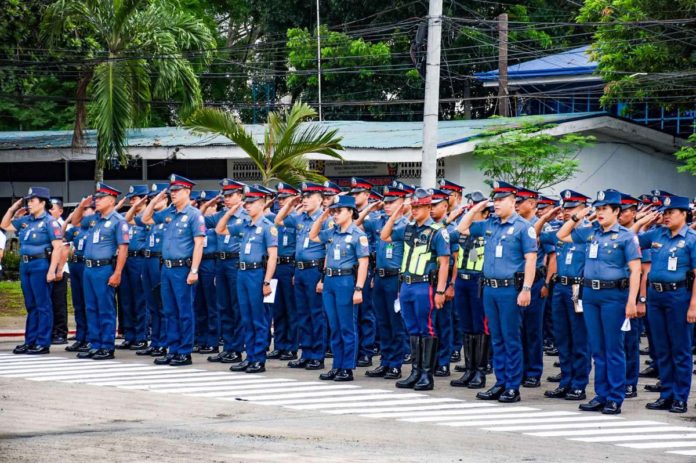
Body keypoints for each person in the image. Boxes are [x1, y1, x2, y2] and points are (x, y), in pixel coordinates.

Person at [556, 189, 642, 415]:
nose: (600, 213)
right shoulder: (591, 233)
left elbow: (635, 271)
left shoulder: (626, 236)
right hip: (590, 295)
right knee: (598, 348)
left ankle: (615, 397)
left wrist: (632, 301)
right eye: (598, 209)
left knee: (613, 348)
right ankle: (601, 394)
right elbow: (562, 235)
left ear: (616, 211)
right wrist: (578, 216)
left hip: (614, 296)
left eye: (605, 209)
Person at [456, 181, 538, 403]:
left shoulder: (523, 227)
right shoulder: (490, 223)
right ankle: (500, 382)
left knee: (511, 338)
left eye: (501, 200)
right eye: (495, 199)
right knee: (497, 339)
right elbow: (461, 228)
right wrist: (476, 207)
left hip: (510, 289)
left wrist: (526, 289)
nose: (497, 204)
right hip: (489, 289)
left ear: (513, 201)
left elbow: (531, 259)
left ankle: (513, 386)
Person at [381, 188, 450, 391]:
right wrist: (397, 213)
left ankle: (426, 374)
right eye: (413, 206)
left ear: (429, 207)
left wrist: (440, 291)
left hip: (424, 284)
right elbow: (385, 236)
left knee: (426, 327)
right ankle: (415, 371)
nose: (415, 210)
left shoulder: (437, 231)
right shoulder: (408, 228)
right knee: (411, 328)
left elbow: (444, 263)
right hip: (407, 284)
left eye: (419, 207)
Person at [634, 196, 696, 414]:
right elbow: (629, 237)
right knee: (661, 348)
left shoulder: (691, 238)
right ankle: (666, 394)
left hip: (679, 296)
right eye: (665, 212)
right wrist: (643, 221)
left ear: (684, 214)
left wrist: (693, 306)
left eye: (671, 212)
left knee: (680, 349)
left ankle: (680, 397)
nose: (666, 216)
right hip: (656, 296)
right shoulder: (658, 233)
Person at [141, 174, 205, 366]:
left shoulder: (194, 215)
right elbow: (145, 218)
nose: (173, 194)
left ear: (187, 192)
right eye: (171, 191)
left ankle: (185, 352)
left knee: (184, 311)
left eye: (177, 191)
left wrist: (194, 270)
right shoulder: (169, 213)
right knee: (169, 310)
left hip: (182, 269)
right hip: (166, 268)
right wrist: (155, 200)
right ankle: (173, 349)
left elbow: (199, 243)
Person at [536, 190, 591, 400]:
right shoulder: (558, 230)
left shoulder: (589, 232)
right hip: (560, 288)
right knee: (562, 336)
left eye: (572, 209)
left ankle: (579, 384)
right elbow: (536, 234)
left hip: (578, 289)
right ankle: (565, 381)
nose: (567, 212)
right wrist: (544, 218)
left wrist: (579, 218)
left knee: (579, 337)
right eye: (565, 208)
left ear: (583, 209)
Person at [217, 185, 278, 373]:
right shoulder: (244, 225)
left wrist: (267, 281)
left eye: (251, 203)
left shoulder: (268, 227)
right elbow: (220, 229)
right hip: (242, 273)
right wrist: (232, 211)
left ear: (261, 204)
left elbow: (273, 256)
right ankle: (249, 356)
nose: (247, 206)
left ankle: (258, 359)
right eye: (246, 203)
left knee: (258, 317)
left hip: (257, 274)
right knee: (246, 317)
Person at [308, 195, 369, 381]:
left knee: (347, 326)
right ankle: (337, 365)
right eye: (333, 211)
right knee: (334, 326)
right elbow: (312, 235)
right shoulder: (332, 232)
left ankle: (347, 367)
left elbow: (364, 263)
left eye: (339, 211)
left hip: (346, 282)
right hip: (330, 281)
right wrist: (323, 215)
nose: (335, 215)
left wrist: (359, 288)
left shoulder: (358, 235)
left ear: (350, 212)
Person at [275, 182, 330, 370]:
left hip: (315, 270)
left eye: (309, 197)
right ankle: (306, 353)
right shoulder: (300, 219)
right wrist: (291, 203)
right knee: (303, 314)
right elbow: (278, 220)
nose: (305, 200)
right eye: (303, 197)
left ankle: (317, 355)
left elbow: (329, 250)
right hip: (299, 270)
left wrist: (323, 278)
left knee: (316, 314)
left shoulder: (326, 220)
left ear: (320, 199)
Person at [70, 183, 129, 360]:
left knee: (105, 308)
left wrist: (117, 272)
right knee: (91, 307)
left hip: (104, 268)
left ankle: (106, 346)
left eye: (101, 198)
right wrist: (82, 206)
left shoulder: (118, 221)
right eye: (96, 198)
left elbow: (123, 248)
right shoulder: (94, 219)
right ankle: (94, 343)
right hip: (88, 268)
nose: (96, 201)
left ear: (111, 200)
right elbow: (75, 222)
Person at [1, 187, 63, 354]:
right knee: (31, 305)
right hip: (25, 265)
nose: (29, 204)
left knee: (43, 305)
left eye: (32, 201)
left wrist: (52, 270)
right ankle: (30, 341)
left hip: (40, 264)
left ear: (43, 202)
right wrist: (13, 209)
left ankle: (42, 342)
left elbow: (58, 247)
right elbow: (4, 225)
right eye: (28, 201)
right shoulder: (27, 220)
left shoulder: (50, 222)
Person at [361, 184, 409, 379]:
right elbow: (356, 224)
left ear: (403, 204)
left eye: (393, 203)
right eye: (386, 202)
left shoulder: (406, 225)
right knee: (383, 322)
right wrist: (370, 208)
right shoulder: (379, 220)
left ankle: (395, 363)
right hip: (379, 276)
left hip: (396, 277)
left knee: (395, 322)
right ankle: (385, 361)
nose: (388, 206)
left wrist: (399, 211)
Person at [202, 178, 247, 364]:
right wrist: (210, 203)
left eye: (230, 195)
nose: (226, 199)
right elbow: (199, 218)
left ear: (240, 196)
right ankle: (227, 347)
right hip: (220, 264)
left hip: (236, 263)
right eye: (224, 196)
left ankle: (237, 348)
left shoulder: (245, 216)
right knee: (223, 307)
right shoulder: (220, 215)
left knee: (237, 307)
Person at [515, 186, 556, 388]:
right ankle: (521, 369)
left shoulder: (542, 227)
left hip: (536, 282)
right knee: (518, 329)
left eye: (519, 201)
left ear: (531, 203)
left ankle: (533, 372)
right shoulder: (515, 224)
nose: (515, 205)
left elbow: (552, 256)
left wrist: (547, 283)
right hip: (517, 282)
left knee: (533, 329)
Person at [449, 191, 491, 389]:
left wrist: (478, 208)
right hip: (463, 280)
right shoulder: (465, 229)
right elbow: (455, 228)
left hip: (478, 282)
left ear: (485, 213)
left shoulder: (486, 228)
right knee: (466, 326)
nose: (473, 213)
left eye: (477, 210)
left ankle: (480, 372)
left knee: (479, 326)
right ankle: (469, 369)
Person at [131, 183, 171, 357]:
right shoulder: (153, 217)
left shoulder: (169, 217)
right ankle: (154, 342)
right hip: (147, 260)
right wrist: (152, 202)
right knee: (152, 305)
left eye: (160, 197)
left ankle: (163, 342)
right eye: (153, 197)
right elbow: (130, 218)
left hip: (159, 260)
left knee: (161, 304)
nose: (155, 201)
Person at [267, 182, 300, 361]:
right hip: (277, 266)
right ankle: (279, 344)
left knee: (290, 308)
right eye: (279, 199)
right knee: (278, 307)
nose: (280, 201)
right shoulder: (278, 220)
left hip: (289, 265)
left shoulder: (297, 219)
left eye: (284, 198)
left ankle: (291, 346)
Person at [429, 188, 459, 378]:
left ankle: (443, 362)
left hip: (443, 281)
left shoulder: (452, 229)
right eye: (429, 205)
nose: (431, 209)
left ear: (445, 206)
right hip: (426, 282)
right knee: (429, 323)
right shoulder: (425, 227)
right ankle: (430, 361)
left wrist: (451, 284)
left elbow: (454, 260)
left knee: (443, 323)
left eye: (435, 205)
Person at [349, 177, 378, 367]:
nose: (354, 196)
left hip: (367, 269)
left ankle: (367, 350)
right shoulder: (347, 214)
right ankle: (357, 349)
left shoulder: (373, 217)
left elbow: (356, 224)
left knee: (366, 313)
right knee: (352, 314)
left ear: (367, 195)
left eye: (358, 193)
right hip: (350, 270)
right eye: (353, 193)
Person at [117, 185, 149, 351]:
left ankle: (141, 336)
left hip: (140, 260)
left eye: (135, 198)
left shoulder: (148, 217)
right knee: (126, 299)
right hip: (126, 260)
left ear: (144, 199)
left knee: (139, 299)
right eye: (131, 199)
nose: (132, 202)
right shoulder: (125, 217)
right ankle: (129, 335)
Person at [63, 200, 95, 353]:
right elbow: (61, 236)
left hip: (86, 265)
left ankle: (90, 337)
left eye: (87, 209)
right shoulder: (77, 228)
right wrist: (68, 220)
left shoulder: (94, 227)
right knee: (78, 303)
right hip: (74, 265)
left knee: (88, 302)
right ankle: (80, 336)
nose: (83, 212)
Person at [440, 179, 465, 362]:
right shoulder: (443, 220)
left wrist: (452, 282)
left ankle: (456, 347)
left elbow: (456, 255)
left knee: (456, 316)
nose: (446, 197)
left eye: (448, 194)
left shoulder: (463, 219)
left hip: (460, 271)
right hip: (444, 272)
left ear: (457, 196)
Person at [194, 190, 221, 354]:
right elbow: (199, 217)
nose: (202, 206)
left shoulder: (218, 224)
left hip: (212, 263)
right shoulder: (201, 222)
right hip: (200, 263)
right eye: (200, 203)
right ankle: (201, 339)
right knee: (199, 304)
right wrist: (204, 208)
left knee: (212, 305)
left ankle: (213, 341)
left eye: (206, 203)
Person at [48, 198, 69, 344]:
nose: (49, 211)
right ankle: (50, 331)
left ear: (60, 211)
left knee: (58, 303)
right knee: (48, 303)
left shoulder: (63, 226)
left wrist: (59, 269)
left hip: (60, 270)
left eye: (52, 208)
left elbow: (65, 249)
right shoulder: (47, 224)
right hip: (48, 269)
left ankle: (60, 333)